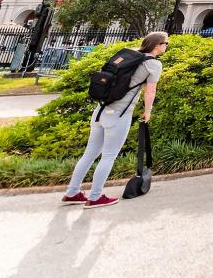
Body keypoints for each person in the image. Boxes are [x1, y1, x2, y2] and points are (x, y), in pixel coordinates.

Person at [62, 31, 168, 209]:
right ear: (157, 45)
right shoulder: (153, 64)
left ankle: (72, 192)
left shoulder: (129, 55)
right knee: (109, 156)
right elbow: (150, 91)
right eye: (166, 44)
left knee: (89, 154)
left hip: (101, 110)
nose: (166, 47)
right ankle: (95, 197)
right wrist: (148, 111)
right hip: (119, 114)